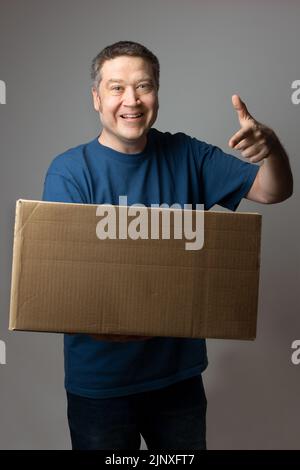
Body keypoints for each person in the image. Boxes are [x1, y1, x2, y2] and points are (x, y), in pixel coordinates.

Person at [42, 41, 293, 450]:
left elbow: (273, 190)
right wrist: (123, 328)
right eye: (116, 88)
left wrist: (273, 150)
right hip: (100, 386)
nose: (131, 100)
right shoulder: (70, 172)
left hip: (177, 381)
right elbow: (63, 281)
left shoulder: (187, 155)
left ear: (157, 92)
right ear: (96, 98)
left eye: (143, 86)